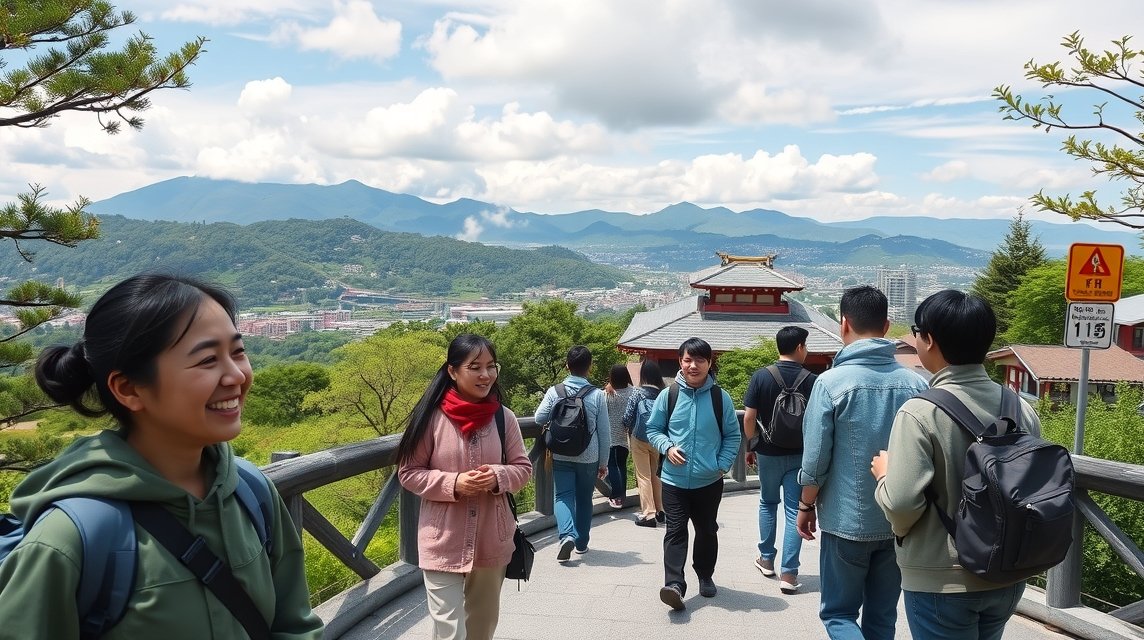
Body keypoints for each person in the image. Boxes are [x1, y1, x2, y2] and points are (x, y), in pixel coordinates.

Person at [0, 274, 323, 639]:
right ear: (129, 389)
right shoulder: (70, 538)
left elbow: (294, 627)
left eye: (237, 351)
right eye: (206, 360)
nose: (236, 376)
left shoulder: (251, 492)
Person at [872, 290, 1040, 640]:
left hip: (941, 578)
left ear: (929, 340)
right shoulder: (1021, 407)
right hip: (1008, 573)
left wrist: (884, 476)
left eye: (917, 332)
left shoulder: (920, 412)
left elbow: (902, 504)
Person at [797, 285, 928, 639]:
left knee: (839, 614)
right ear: (886, 326)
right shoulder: (917, 384)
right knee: (882, 618)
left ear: (843, 324)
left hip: (846, 522)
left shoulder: (830, 383)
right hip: (901, 521)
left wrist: (805, 505)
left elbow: (815, 459)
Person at [397, 333, 532, 640]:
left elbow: (523, 469)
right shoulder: (431, 419)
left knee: (481, 629)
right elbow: (409, 472)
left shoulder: (504, 418)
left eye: (491, 366)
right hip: (441, 540)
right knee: (450, 630)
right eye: (475, 367)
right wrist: (454, 483)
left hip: (491, 540)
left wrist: (498, 476)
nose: (486, 375)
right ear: (452, 371)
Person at [645, 337, 740, 610]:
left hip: (709, 480)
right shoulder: (669, 395)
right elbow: (653, 429)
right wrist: (667, 447)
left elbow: (733, 435)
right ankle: (674, 584)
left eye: (699, 360)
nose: (693, 365)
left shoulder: (720, 398)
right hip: (674, 480)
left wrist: (721, 464)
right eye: (688, 360)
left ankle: (705, 575)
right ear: (680, 362)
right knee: (675, 531)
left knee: (707, 530)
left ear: (709, 363)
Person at [743, 325, 817, 594]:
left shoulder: (761, 376)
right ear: (799, 347)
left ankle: (765, 559)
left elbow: (749, 417)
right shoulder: (812, 379)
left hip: (767, 452)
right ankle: (789, 574)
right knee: (793, 510)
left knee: (767, 502)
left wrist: (751, 446)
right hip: (800, 455)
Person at [534, 345, 609, 562]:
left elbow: (539, 418)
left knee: (563, 496)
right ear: (590, 367)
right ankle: (582, 543)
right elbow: (604, 433)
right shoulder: (597, 395)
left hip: (561, 453)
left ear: (567, 366)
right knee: (585, 498)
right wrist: (603, 462)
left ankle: (566, 535)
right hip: (589, 455)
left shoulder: (555, 391)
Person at [622, 360, 666, 527]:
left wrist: (629, 429)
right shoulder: (664, 393)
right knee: (656, 474)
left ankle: (648, 514)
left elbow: (627, 416)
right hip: (658, 439)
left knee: (643, 476)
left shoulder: (637, 393)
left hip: (639, 438)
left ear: (643, 375)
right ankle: (661, 511)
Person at [604, 364, 636, 509]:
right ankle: (621, 495)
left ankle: (617, 496)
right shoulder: (633, 392)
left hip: (611, 437)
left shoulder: (608, 394)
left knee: (613, 466)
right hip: (627, 436)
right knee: (621, 466)